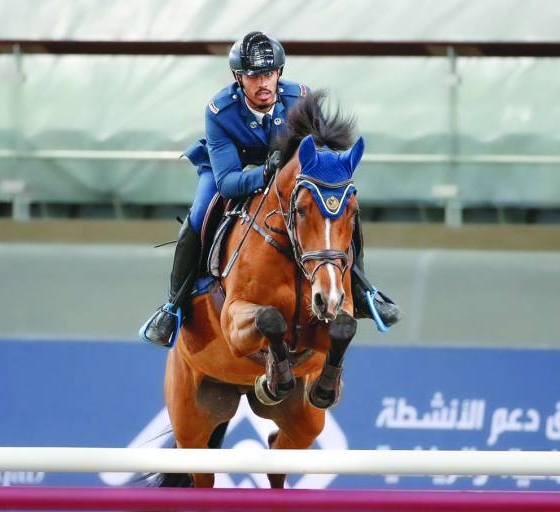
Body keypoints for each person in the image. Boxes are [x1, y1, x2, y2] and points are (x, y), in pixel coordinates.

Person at [140, 31, 400, 348]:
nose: (263, 83)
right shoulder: (220, 111)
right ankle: (174, 305)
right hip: (233, 169)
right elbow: (229, 183)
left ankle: (362, 289)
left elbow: (317, 157)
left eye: (269, 73)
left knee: (339, 207)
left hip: (287, 172)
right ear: (239, 78)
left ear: (279, 72)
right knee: (199, 215)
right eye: (253, 76)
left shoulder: (299, 98)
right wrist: (265, 172)